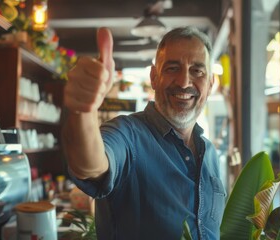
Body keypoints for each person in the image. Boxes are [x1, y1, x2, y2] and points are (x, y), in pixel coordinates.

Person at [62, 26, 226, 240]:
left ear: (211, 83)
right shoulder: (128, 134)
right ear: (154, 77)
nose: (185, 82)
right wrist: (83, 111)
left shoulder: (210, 152)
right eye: (172, 68)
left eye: (197, 71)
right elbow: (90, 166)